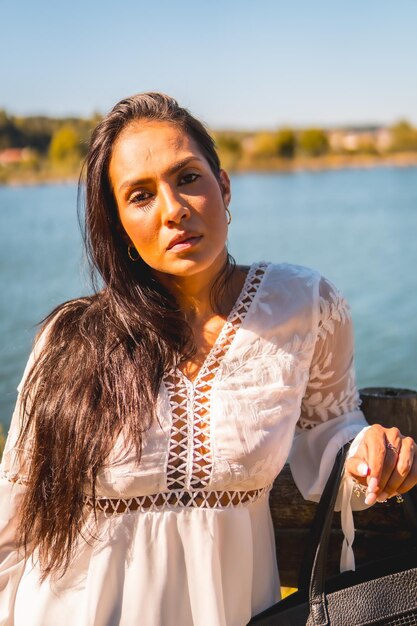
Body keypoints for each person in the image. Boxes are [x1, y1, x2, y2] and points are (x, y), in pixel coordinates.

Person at [0, 92, 416, 626]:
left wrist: (371, 454)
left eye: (188, 177)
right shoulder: (69, 338)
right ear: (120, 223)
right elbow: (12, 519)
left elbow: (330, 434)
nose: (174, 209)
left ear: (223, 187)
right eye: (141, 195)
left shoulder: (305, 305)